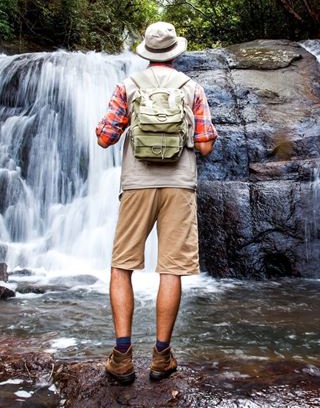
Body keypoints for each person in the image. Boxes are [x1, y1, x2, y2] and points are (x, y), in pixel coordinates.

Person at [95, 21, 218, 384]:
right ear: (176, 53)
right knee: (171, 270)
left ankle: (121, 357)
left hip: (136, 185)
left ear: (146, 53)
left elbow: (104, 138)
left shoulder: (128, 86)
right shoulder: (192, 88)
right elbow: (207, 145)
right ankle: (162, 357)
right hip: (179, 186)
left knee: (122, 266)